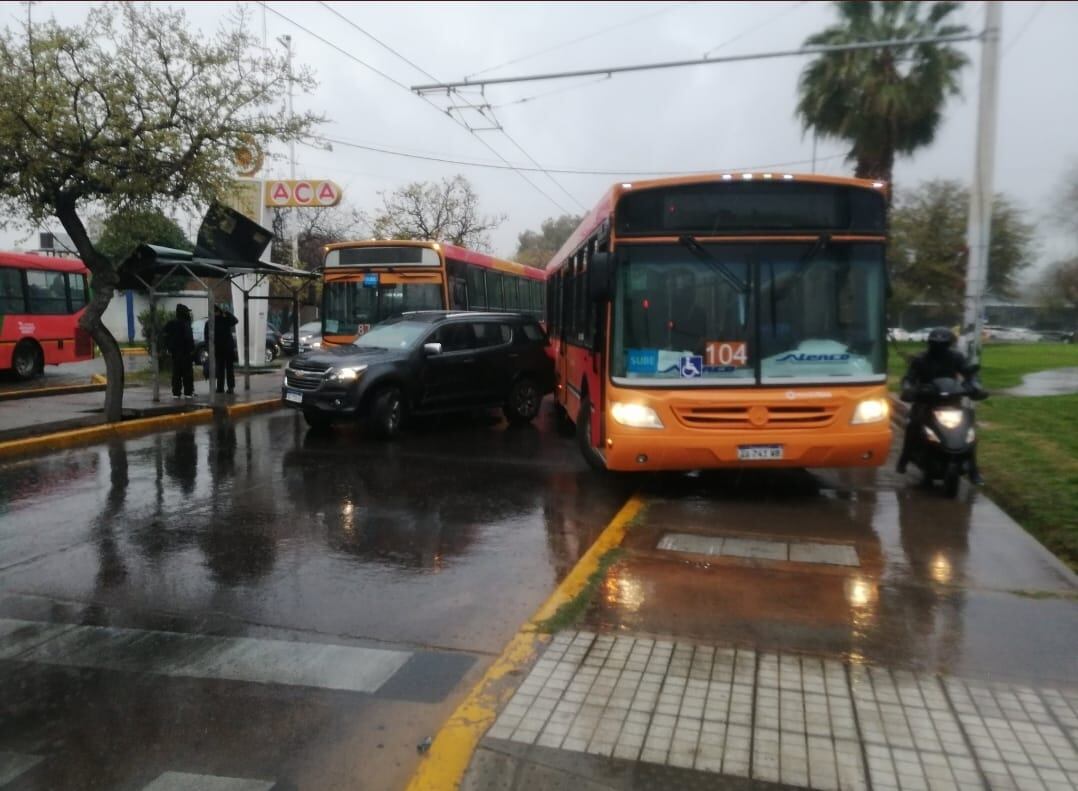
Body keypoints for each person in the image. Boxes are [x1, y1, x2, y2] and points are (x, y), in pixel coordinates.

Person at [896, 327, 983, 484]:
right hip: (926, 400)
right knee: (913, 424)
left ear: (949, 344)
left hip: (952, 401)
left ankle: (973, 469)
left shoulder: (956, 357)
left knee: (969, 429)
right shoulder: (920, 359)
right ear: (930, 344)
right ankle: (904, 459)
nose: (939, 348)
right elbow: (909, 377)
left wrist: (974, 386)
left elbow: (969, 373)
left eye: (943, 344)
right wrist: (909, 389)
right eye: (936, 344)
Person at [205, 304, 239, 394]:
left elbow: (235, 321)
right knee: (225, 369)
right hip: (223, 349)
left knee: (223, 369)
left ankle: (223, 388)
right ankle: (227, 387)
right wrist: (226, 313)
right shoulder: (215, 321)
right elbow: (207, 337)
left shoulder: (222, 320)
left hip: (223, 349)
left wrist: (226, 313)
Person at [163, 304, 195, 399]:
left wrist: (168, 347)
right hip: (185, 353)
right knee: (187, 373)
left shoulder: (171, 323)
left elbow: (164, 335)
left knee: (176, 373)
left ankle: (176, 393)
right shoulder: (186, 324)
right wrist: (192, 349)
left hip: (175, 353)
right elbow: (189, 338)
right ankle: (188, 392)